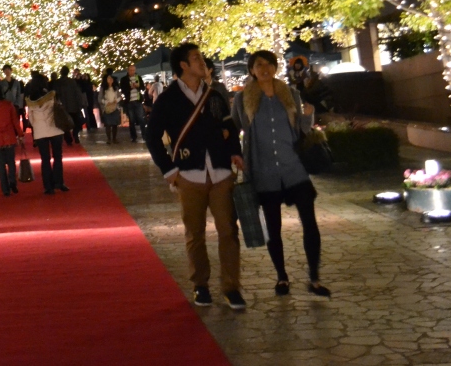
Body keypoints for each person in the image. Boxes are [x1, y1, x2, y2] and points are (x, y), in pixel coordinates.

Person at [146, 42, 245, 310]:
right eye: (196, 58)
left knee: (229, 231)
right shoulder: (168, 99)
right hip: (189, 174)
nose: (203, 62)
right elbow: (152, 136)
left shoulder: (214, 95)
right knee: (195, 233)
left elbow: (228, 125)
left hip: (221, 172)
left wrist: (235, 152)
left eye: (202, 57)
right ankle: (200, 284)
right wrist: (169, 170)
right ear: (183, 65)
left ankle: (231, 287)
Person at [231, 50, 329, 299]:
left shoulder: (290, 94)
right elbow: (234, 128)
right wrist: (235, 154)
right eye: (259, 65)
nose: (264, 68)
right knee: (273, 228)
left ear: (276, 68)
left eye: (269, 64)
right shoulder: (243, 99)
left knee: (310, 223)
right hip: (263, 171)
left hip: (293, 167)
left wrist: (308, 116)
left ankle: (314, 278)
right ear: (252, 70)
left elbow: (301, 130)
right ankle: (282, 277)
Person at [25, 73, 68, 194]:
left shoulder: (30, 100)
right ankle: (59, 182)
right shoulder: (51, 95)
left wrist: (37, 126)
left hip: (40, 132)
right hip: (54, 129)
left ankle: (48, 187)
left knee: (45, 159)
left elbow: (31, 119)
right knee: (57, 157)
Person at [53, 66, 86, 145]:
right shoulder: (72, 82)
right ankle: (75, 135)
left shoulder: (58, 83)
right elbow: (77, 93)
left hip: (63, 107)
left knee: (65, 124)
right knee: (76, 122)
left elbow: (55, 94)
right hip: (73, 106)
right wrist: (80, 104)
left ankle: (68, 139)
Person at [122, 64, 149, 142]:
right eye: (131, 70)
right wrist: (130, 87)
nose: (132, 72)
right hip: (129, 101)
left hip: (138, 101)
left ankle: (144, 135)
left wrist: (138, 86)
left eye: (133, 70)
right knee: (132, 120)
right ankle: (133, 137)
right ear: (128, 70)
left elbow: (143, 88)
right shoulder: (124, 79)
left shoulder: (138, 77)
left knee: (141, 119)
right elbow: (123, 90)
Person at [98, 72, 123, 144]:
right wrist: (106, 102)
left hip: (115, 108)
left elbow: (120, 97)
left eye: (111, 78)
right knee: (108, 124)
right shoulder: (103, 89)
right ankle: (109, 139)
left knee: (115, 124)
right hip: (107, 108)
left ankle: (114, 138)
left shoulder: (115, 88)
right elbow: (99, 99)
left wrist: (116, 100)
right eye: (108, 78)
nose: (110, 80)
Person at [75, 68, 98, 132]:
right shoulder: (84, 83)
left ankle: (90, 125)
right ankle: (91, 125)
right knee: (88, 113)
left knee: (88, 112)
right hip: (86, 99)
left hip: (86, 99)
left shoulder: (83, 83)